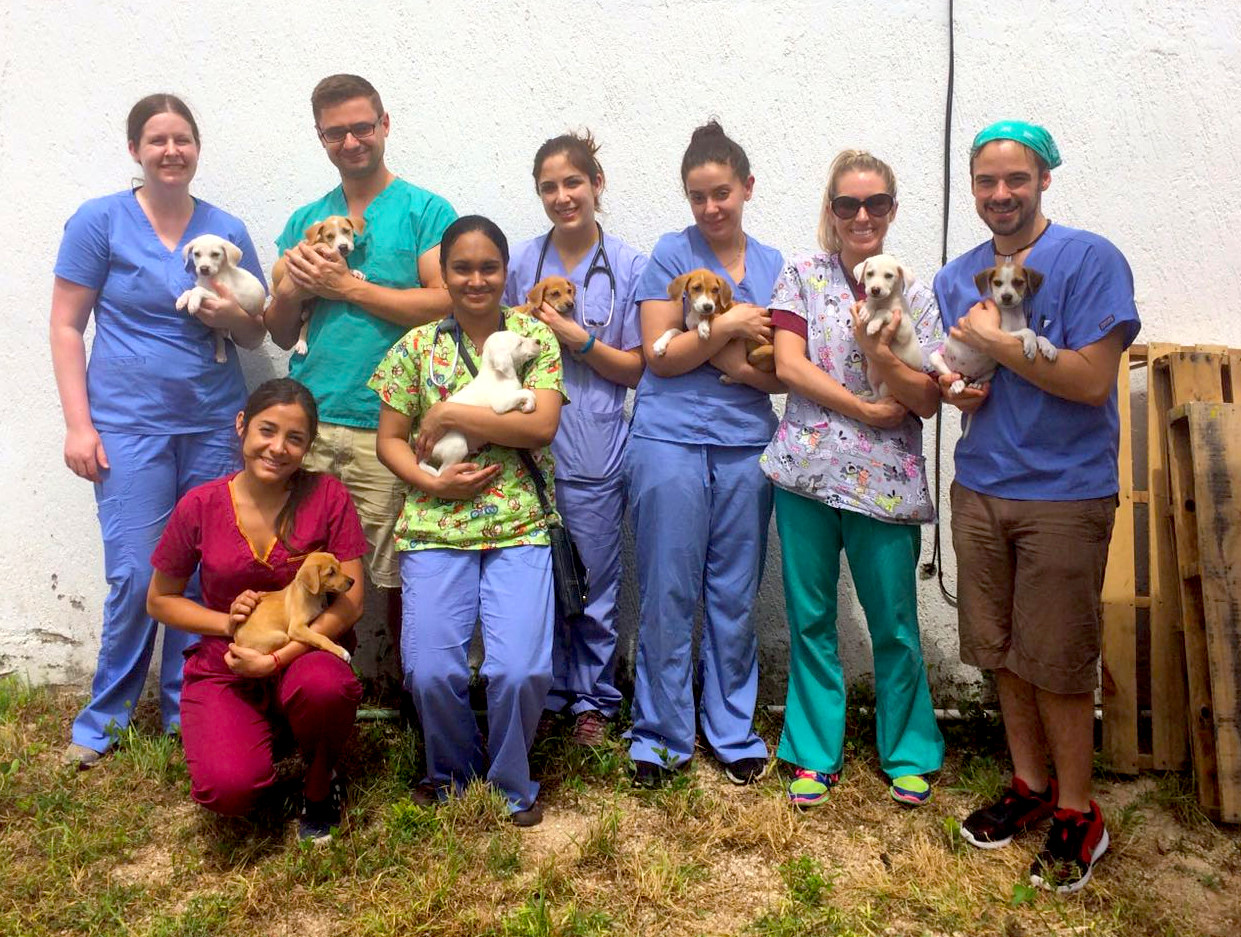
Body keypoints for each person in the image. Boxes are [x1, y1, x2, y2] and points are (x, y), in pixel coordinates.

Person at [934, 121, 1139, 893]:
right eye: (985, 181)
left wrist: (999, 340)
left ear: (1043, 179)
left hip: (1063, 492)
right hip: (981, 482)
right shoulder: (957, 274)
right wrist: (951, 387)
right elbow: (950, 378)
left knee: (1056, 660)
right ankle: (1027, 786)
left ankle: (1079, 810)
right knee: (999, 649)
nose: (999, 194)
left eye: (1015, 178)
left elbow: (1089, 380)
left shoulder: (1088, 259)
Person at [50, 94, 268, 769]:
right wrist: (78, 425)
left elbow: (256, 327)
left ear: (197, 148)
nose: (171, 150)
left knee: (206, 569)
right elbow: (65, 324)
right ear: (135, 151)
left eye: (182, 138)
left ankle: (186, 707)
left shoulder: (225, 226)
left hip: (211, 423)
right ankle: (103, 719)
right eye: (157, 139)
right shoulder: (100, 222)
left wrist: (225, 318)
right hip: (128, 424)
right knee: (139, 571)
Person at [760, 150, 946, 810]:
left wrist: (877, 359)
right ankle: (813, 752)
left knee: (893, 622)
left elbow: (927, 397)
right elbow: (788, 365)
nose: (860, 215)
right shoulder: (800, 277)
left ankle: (909, 751)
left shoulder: (917, 294)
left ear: (892, 209)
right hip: (805, 472)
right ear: (831, 212)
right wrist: (866, 406)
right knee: (810, 620)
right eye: (847, 204)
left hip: (885, 481)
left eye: (874, 203)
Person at [370, 216, 565, 826]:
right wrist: (430, 480)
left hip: (519, 522)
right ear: (444, 274)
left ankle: (509, 780)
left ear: (506, 271)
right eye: (462, 267)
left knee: (521, 667)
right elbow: (391, 440)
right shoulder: (416, 347)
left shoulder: (535, 336)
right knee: (428, 668)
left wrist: (454, 410)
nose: (476, 279)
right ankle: (451, 772)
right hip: (434, 520)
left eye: (488, 267)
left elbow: (540, 426)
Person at [264, 74, 457, 664]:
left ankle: (408, 690)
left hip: (389, 424)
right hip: (313, 420)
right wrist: (295, 288)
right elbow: (278, 328)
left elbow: (445, 300)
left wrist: (347, 288)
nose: (351, 141)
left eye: (362, 127)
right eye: (336, 132)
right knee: (303, 564)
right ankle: (315, 690)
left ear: (384, 125)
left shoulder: (425, 210)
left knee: (401, 569)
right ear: (321, 137)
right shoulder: (307, 218)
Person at [625, 121, 785, 788]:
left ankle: (729, 728)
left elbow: (780, 372)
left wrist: (726, 355)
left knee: (732, 592)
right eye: (697, 196)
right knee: (666, 588)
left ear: (746, 187)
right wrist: (732, 324)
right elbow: (659, 361)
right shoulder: (668, 253)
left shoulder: (778, 266)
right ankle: (659, 737)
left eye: (721, 192)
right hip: (669, 441)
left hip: (747, 442)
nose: (711, 207)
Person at [146, 379, 366, 843]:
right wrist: (225, 622)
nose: (278, 448)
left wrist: (277, 659)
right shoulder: (201, 505)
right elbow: (160, 600)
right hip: (229, 662)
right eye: (267, 430)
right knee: (229, 790)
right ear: (242, 426)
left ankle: (320, 782)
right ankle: (269, 737)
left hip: (306, 658)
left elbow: (352, 600)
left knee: (326, 688)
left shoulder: (328, 497)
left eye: (295, 438)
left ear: (308, 447)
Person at [502, 131, 647, 746]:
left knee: (592, 581)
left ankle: (591, 697)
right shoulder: (521, 265)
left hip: (595, 441)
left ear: (596, 185)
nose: (563, 197)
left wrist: (574, 337)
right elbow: (505, 350)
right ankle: (545, 690)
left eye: (573, 183)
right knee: (532, 580)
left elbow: (637, 366)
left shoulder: (631, 265)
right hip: (528, 445)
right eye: (549, 187)